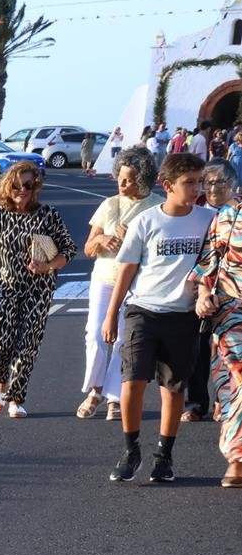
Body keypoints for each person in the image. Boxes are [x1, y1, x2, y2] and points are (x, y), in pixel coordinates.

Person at [103, 153, 215, 483]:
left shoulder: (208, 220)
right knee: (132, 382)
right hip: (143, 311)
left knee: (172, 389)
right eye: (189, 183)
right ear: (167, 186)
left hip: (183, 316)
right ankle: (130, 448)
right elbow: (126, 270)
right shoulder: (147, 222)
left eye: (199, 181)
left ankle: (163, 456)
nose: (196, 189)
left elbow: (216, 261)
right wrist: (112, 314)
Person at [0, 161, 76, 418]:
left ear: (35, 186)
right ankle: (0, 383)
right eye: (17, 185)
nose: (22, 190)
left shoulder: (48, 215)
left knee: (27, 345)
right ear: (8, 186)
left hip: (38, 291)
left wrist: (48, 265)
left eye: (28, 185)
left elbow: (69, 250)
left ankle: (15, 398)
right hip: (4, 288)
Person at [78, 152, 159, 420]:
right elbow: (88, 248)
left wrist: (134, 238)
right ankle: (95, 389)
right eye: (120, 179)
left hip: (138, 284)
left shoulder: (156, 207)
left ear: (144, 180)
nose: (122, 186)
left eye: (128, 181)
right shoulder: (109, 205)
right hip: (104, 278)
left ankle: (113, 397)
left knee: (125, 340)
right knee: (96, 334)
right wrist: (103, 240)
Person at [192, 181, 242, 485]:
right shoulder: (226, 215)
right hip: (230, 313)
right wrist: (202, 295)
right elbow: (208, 263)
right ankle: (237, 458)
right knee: (234, 381)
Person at [186, 164, 234, 421]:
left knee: (225, 351)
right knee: (198, 349)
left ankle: (222, 399)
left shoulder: (234, 214)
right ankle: (196, 403)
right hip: (200, 289)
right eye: (209, 182)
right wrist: (202, 291)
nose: (213, 188)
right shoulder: (196, 213)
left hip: (231, 295)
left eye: (220, 182)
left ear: (234, 183)